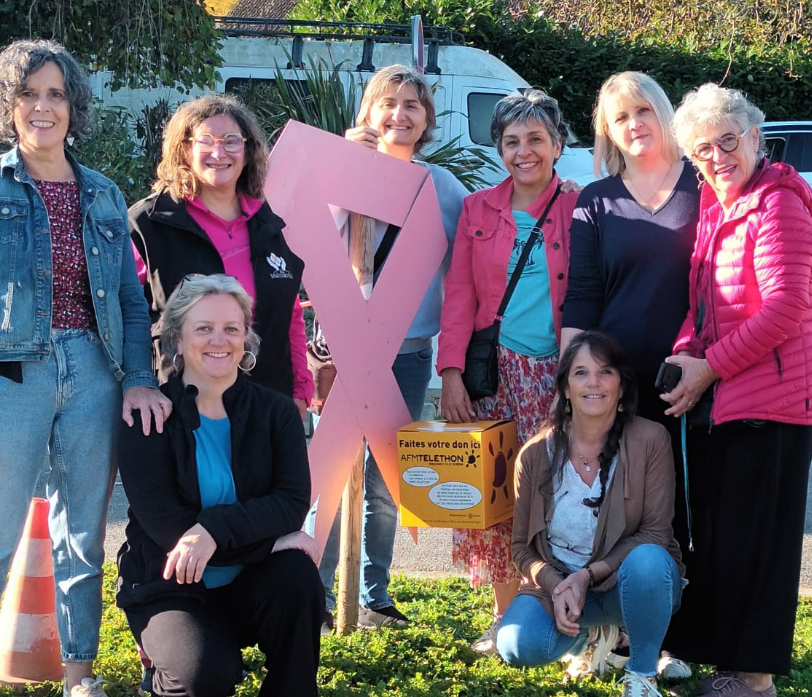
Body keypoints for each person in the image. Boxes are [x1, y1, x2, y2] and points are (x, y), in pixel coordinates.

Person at [0, 39, 169, 697]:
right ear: (7, 105)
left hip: (95, 375)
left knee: (83, 537)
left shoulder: (102, 194)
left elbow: (130, 300)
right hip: (7, 377)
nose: (43, 107)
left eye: (56, 94)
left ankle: (78, 680)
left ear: (73, 106)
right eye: (29, 94)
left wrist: (138, 377)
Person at [662, 83, 812, 697]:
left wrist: (708, 369)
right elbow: (703, 305)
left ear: (755, 138)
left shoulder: (777, 205)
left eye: (727, 141)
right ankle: (734, 672)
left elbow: (784, 308)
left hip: (776, 405)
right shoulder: (717, 207)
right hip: (734, 402)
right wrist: (685, 353)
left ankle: (756, 686)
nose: (717, 156)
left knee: (762, 548)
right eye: (703, 149)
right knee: (731, 541)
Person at [116, 274, 323, 697]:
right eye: (204, 328)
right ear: (176, 338)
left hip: (251, 583)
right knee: (204, 673)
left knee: (298, 576)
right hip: (169, 585)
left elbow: (291, 502)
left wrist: (213, 530)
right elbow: (169, 529)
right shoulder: (149, 417)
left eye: (231, 328)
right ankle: (168, 669)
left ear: (246, 336)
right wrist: (268, 543)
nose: (219, 340)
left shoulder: (277, 412)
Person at [310, 64, 468, 632]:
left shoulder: (442, 187)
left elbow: (479, 240)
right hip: (345, 350)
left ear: (426, 120)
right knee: (329, 473)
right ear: (369, 112)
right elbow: (310, 244)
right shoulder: (341, 173)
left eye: (412, 105)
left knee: (384, 479)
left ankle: (373, 594)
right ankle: (315, 593)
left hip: (408, 353)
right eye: (388, 103)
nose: (399, 115)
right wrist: (347, 177)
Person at [558, 71, 699, 679]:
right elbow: (582, 298)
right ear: (607, 132)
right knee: (619, 513)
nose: (635, 124)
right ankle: (613, 636)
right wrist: (574, 384)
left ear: (663, 111)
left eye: (643, 110)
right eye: (620, 117)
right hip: (618, 387)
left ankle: (675, 639)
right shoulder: (596, 200)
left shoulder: (703, 183)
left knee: (686, 513)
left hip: (696, 381)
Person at [437, 89, 579, 653]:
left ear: (557, 145)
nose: (525, 152)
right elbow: (460, 292)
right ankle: (504, 616)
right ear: (499, 149)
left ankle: (562, 610)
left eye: (536, 139)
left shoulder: (580, 207)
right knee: (496, 497)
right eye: (512, 141)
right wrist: (451, 371)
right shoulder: (478, 209)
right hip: (494, 375)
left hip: (559, 376)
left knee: (557, 493)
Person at [496, 331, 684, 697]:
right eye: (581, 373)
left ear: (621, 385)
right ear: (566, 388)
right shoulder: (534, 454)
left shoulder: (651, 440)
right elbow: (521, 548)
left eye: (605, 372)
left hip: (626, 586)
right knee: (517, 644)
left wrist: (586, 576)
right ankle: (589, 637)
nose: (593, 382)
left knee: (649, 561)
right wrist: (557, 585)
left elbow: (655, 533)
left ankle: (642, 678)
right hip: (562, 588)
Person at [128, 95, 313, 417]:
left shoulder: (269, 224)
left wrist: (299, 388)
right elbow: (124, 315)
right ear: (185, 149)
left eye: (231, 141)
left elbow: (290, 312)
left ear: (248, 151)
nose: (219, 152)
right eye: (206, 141)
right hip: (178, 409)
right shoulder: (147, 224)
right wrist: (137, 383)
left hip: (266, 405)